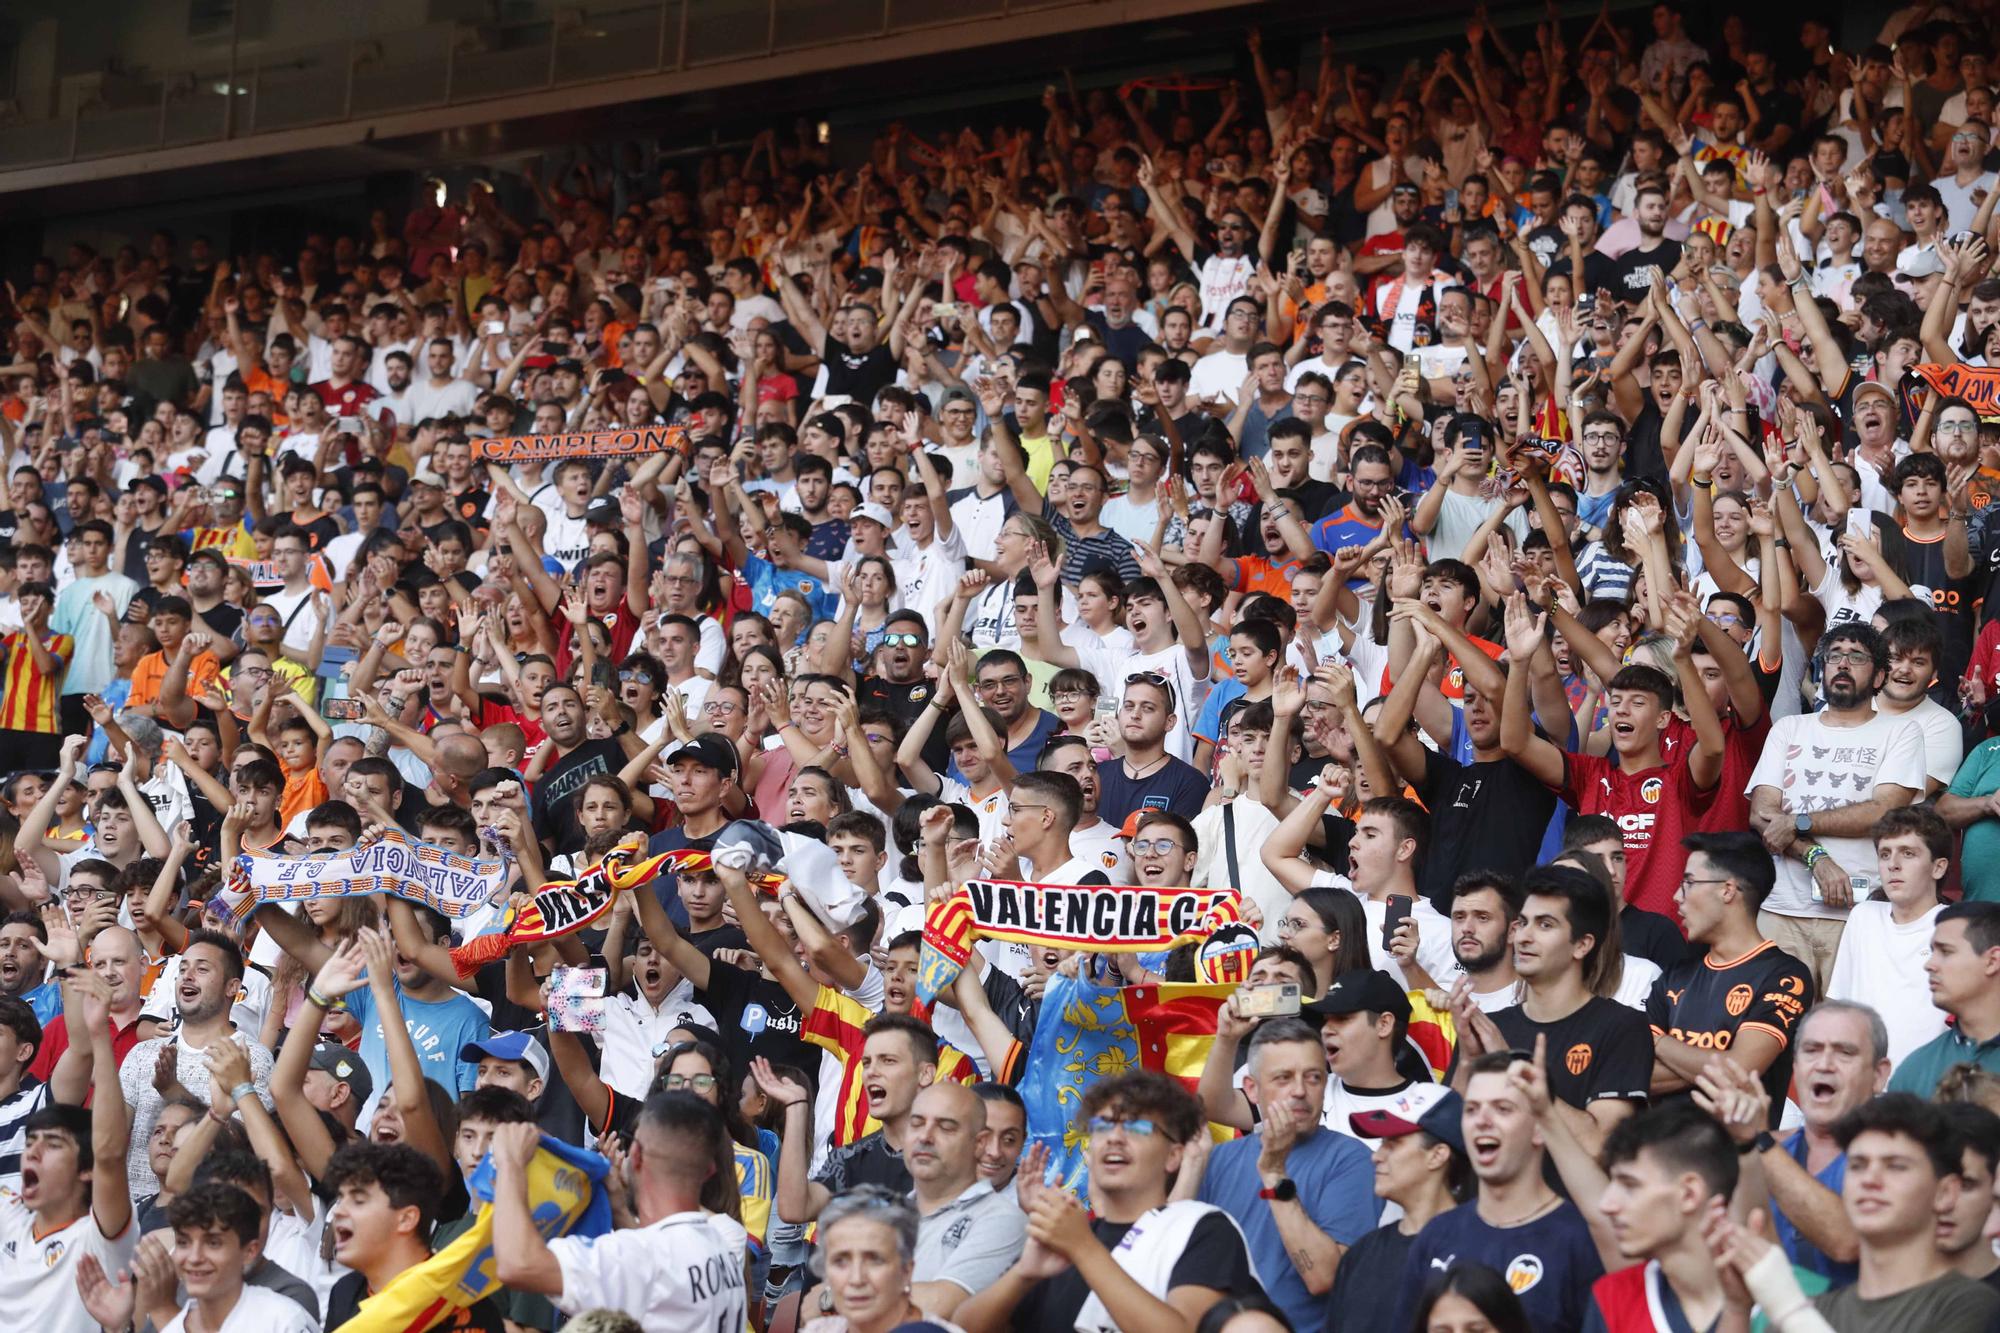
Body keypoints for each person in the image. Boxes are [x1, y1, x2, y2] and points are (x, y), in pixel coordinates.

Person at [953, 1070, 1261, 1333]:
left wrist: (1083, 1248)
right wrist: (1024, 1273)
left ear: (1174, 1155)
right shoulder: (1061, 1241)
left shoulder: (1201, 1229)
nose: (1114, 1138)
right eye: (1102, 1126)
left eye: (1136, 1128)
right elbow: (961, 1327)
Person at [491, 1093, 749, 1333]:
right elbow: (660, 1262)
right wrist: (618, 1208)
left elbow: (518, 1265)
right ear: (709, 1171)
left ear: (635, 1155)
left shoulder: (639, 1256)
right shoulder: (719, 1244)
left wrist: (510, 1164)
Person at [1193, 1016, 1379, 1333]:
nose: (1300, 1091)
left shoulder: (1352, 1159)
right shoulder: (1218, 1159)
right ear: (1251, 1089)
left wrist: (1275, 1174)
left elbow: (1323, 1277)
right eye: (1283, 1078)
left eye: (1313, 1078)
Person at [1396, 1050, 1604, 1333]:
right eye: (1471, 1109)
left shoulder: (1580, 1240)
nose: (1482, 1120)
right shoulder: (1437, 1234)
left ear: (1540, 1127)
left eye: (1503, 1109)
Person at [1452, 866, 1649, 1160]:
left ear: (1582, 945)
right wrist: (1468, 1062)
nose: (1523, 937)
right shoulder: (1491, 1026)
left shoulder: (1622, 1027)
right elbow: (1448, 1142)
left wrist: (1513, 1064)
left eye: (1545, 925)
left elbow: (1601, 1147)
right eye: (1523, 923)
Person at [1, 969, 133, 1333]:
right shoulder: (11, 1214)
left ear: (85, 1168)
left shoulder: (100, 1236)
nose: (33, 1152)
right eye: (30, 1143)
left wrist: (72, 966)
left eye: (52, 1143)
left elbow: (108, 1152)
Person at [1647, 831, 1813, 1119]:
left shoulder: (1785, 977)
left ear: (1727, 890)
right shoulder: (1675, 974)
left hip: (1737, 1157)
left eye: (1688, 883)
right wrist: (1723, 1060)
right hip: (1658, 1152)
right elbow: (1634, 1076)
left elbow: (1740, 1072)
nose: (1676, 897)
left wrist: (1659, 1043)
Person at [77, 1181, 318, 1333]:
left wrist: (162, 1311)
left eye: (213, 1243)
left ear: (249, 1251)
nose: (194, 1257)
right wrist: (118, 1328)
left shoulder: (284, 1320)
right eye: (183, 1242)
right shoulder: (173, 1323)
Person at [1333, 1084, 1471, 1332]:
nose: (1376, 1156)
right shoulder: (1362, 1254)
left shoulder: (1483, 1247)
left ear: (1437, 1155)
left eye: (1393, 1143)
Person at [1826, 807, 1951, 1066]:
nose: (1893, 864)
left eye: (1908, 853)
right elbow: (1836, 1004)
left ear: (1938, 868)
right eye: (1885, 854)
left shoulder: (1955, 926)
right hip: (1861, 1084)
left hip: (1929, 1088)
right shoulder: (1863, 916)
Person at [1891, 902, 2000, 1095]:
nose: (1929, 965)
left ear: (1992, 961)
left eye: (1946, 952)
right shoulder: (1914, 1072)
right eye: (1933, 952)